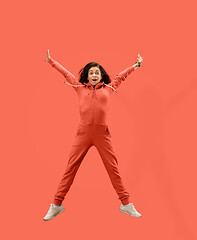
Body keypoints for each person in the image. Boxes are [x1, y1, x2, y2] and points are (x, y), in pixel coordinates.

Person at [43, 50, 143, 221]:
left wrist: (135, 65)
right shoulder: (79, 87)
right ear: (87, 76)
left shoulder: (110, 87)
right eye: (91, 73)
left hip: (102, 134)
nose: (94, 74)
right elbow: (66, 73)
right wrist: (51, 61)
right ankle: (56, 205)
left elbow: (121, 76)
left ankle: (126, 205)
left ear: (101, 75)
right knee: (70, 168)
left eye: (97, 72)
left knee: (113, 169)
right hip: (83, 133)